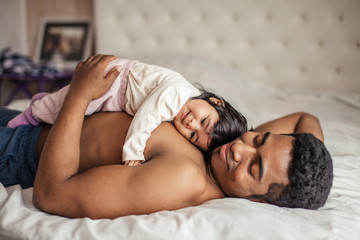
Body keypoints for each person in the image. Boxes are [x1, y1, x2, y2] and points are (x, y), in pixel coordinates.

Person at [0, 55, 333, 219]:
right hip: (30, 122)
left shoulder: (184, 178)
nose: (240, 149)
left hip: (19, 151)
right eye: (258, 139)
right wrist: (311, 177)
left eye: (254, 168)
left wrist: (79, 95)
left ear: (260, 201)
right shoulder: (229, 151)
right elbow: (307, 118)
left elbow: (52, 195)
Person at [7, 57, 247, 166]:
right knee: (63, 108)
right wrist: (134, 152)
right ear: (216, 101)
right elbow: (146, 118)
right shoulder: (176, 93)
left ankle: (40, 105)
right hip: (114, 83)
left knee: (61, 106)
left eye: (194, 136)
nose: (191, 124)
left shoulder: (184, 105)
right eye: (204, 120)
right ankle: (22, 120)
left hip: (118, 96)